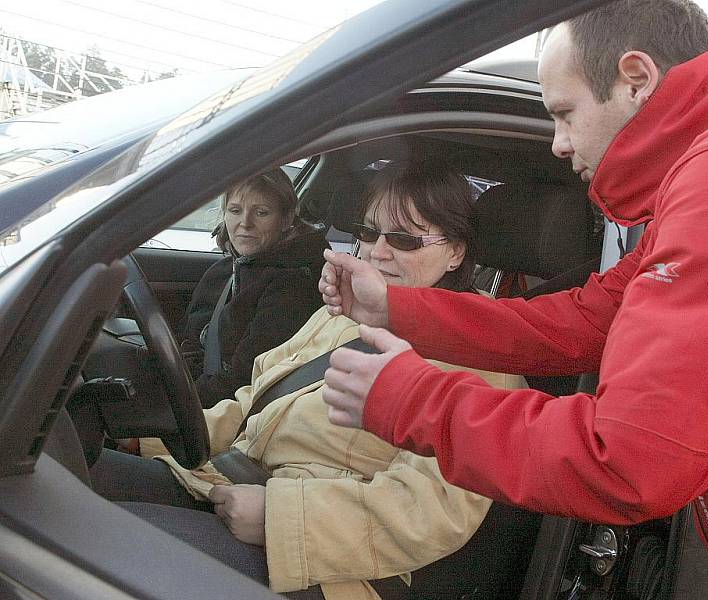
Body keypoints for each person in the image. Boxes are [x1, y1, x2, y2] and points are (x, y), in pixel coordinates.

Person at [318, 2, 708, 598]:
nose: (558, 144)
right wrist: (393, 307)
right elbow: (587, 322)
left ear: (635, 78)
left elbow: (627, 460)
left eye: (564, 114)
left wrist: (406, 398)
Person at [91, 162, 527, 600]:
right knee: (79, 472)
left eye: (404, 239)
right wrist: (152, 437)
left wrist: (278, 519)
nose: (377, 252)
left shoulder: (481, 361)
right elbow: (252, 402)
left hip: (328, 562)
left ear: (455, 252)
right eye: (369, 233)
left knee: (100, 549)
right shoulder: (343, 312)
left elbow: (430, 511)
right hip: (233, 480)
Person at [180, 168, 329, 408]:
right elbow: (189, 343)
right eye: (235, 211)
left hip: (226, 410)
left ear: (287, 219)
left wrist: (170, 408)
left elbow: (244, 381)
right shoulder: (223, 271)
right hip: (198, 389)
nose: (245, 223)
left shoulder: (293, 284)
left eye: (261, 213)